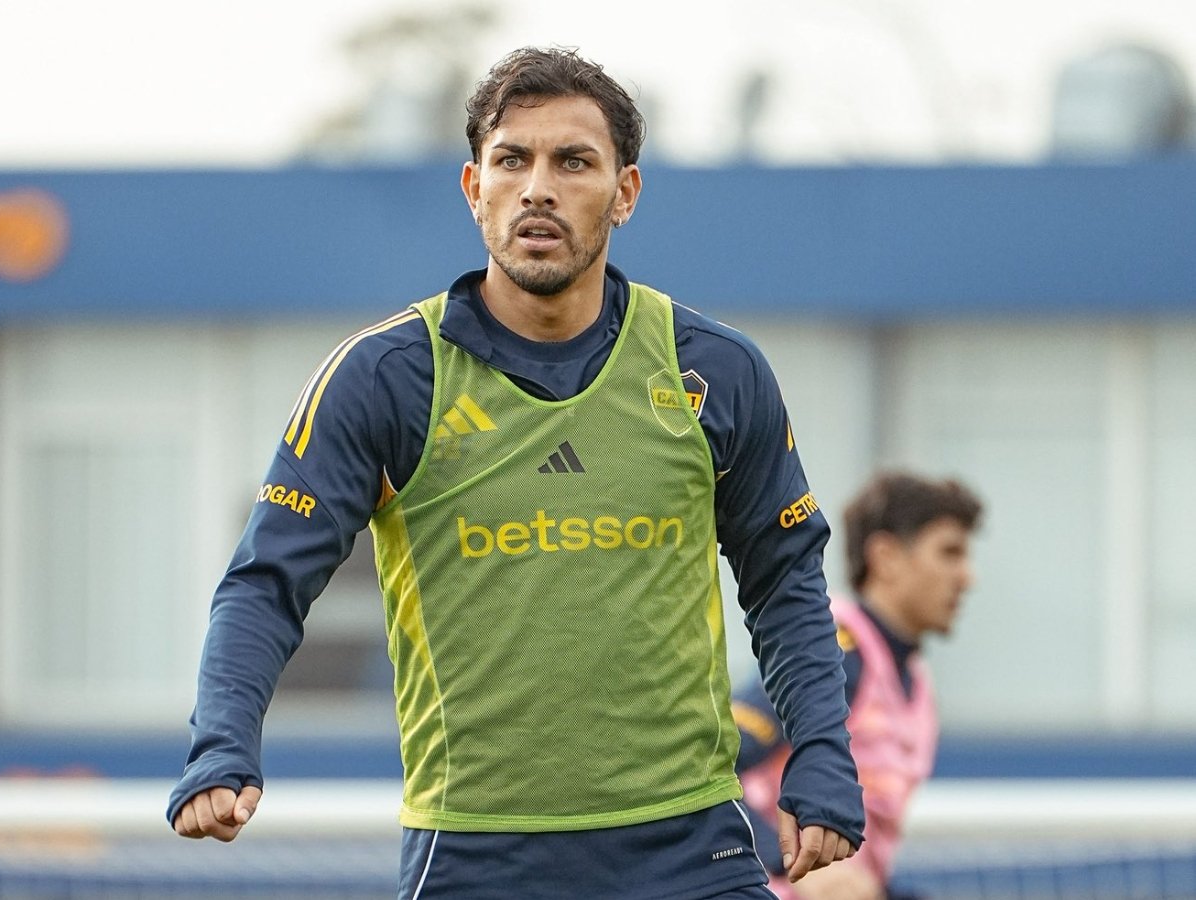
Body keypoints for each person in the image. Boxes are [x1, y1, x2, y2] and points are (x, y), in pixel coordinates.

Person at [168, 45, 865, 899]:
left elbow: (786, 580)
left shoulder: (714, 370)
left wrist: (823, 755)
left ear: (625, 193)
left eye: (573, 161)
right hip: (475, 858)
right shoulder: (385, 378)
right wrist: (223, 741)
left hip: (693, 852)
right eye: (512, 160)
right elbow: (265, 582)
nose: (538, 186)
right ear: (474, 189)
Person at [733, 471, 984, 900]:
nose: (967, 578)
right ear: (885, 556)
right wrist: (792, 862)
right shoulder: (832, 653)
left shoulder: (918, 688)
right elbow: (709, 767)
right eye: (949, 553)